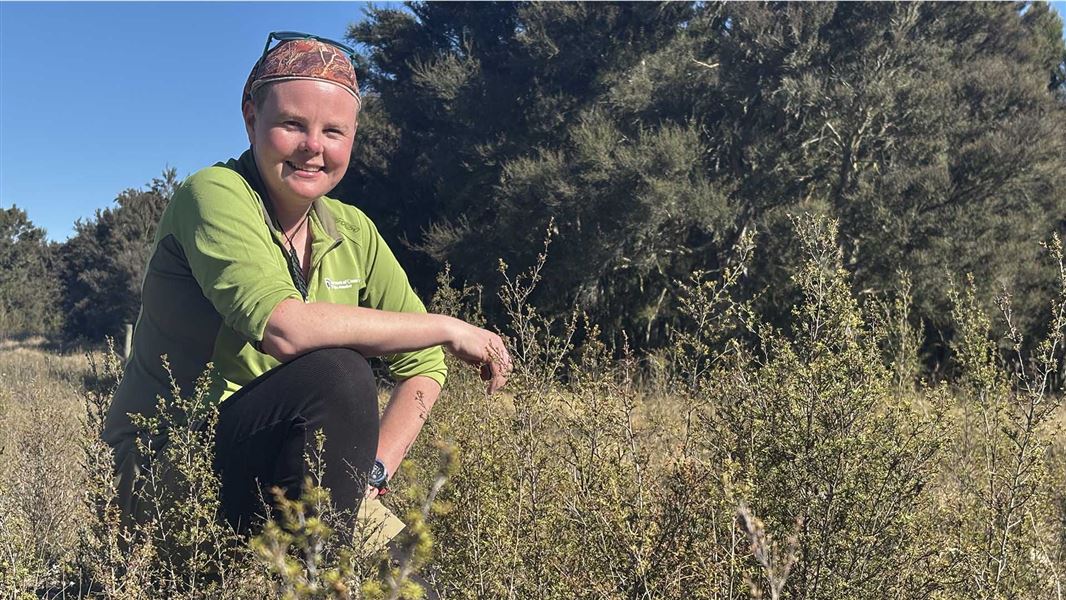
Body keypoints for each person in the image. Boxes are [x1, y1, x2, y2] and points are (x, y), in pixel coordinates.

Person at [102, 31, 512, 534]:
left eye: (333, 131)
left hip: (287, 470)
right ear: (251, 118)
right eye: (292, 124)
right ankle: (320, 564)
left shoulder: (353, 230)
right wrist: (448, 327)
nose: (313, 147)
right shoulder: (213, 194)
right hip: (169, 472)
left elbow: (424, 365)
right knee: (337, 373)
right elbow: (286, 328)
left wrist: (374, 470)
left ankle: (321, 557)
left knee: (407, 568)